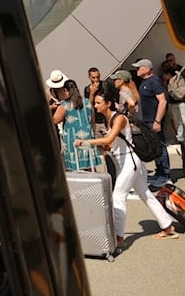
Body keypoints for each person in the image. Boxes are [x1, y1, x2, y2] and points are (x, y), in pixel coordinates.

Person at [75, 87, 179, 250]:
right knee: (145, 194)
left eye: (98, 103)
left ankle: (119, 237)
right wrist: (105, 148)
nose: (95, 106)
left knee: (118, 196)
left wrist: (86, 142)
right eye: (95, 103)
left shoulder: (119, 118)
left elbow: (108, 139)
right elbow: (111, 143)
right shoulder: (111, 118)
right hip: (127, 161)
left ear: (108, 104)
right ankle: (167, 226)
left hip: (130, 161)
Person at [132, 58, 170, 188]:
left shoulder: (154, 82)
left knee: (160, 146)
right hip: (147, 120)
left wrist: (157, 121)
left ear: (147, 69)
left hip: (154, 120)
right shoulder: (144, 82)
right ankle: (159, 172)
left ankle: (165, 175)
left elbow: (162, 101)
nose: (137, 70)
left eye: (139, 67)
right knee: (154, 147)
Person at [51, 79, 101, 172]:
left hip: (73, 138)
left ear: (66, 91)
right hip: (88, 136)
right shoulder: (87, 102)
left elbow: (55, 120)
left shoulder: (65, 105)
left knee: (75, 167)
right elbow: (92, 121)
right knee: (90, 166)